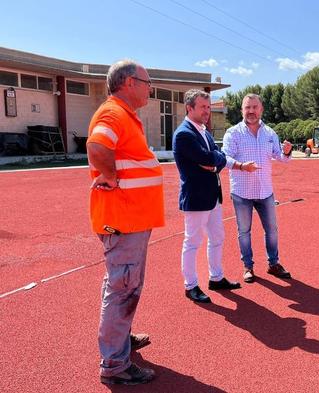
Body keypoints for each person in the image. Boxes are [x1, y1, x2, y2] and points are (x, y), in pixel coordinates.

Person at [87, 60, 164, 385]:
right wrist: (111, 178)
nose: (150, 88)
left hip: (132, 219)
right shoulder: (112, 113)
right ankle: (115, 365)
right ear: (129, 82)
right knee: (122, 289)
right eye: (147, 82)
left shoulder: (124, 115)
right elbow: (96, 147)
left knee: (126, 285)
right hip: (123, 220)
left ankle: (120, 341)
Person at [172, 89, 240, 304]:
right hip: (196, 197)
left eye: (208, 107)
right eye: (202, 107)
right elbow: (207, 158)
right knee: (192, 242)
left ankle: (216, 277)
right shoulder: (184, 134)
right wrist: (214, 161)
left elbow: (215, 158)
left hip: (212, 197)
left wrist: (214, 161)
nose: (207, 111)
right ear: (189, 108)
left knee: (217, 237)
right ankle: (190, 285)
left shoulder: (205, 132)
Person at [222, 93, 293, 283]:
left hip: (265, 191)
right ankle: (248, 267)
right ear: (242, 110)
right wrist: (241, 166)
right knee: (244, 231)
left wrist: (286, 152)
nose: (251, 111)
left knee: (272, 230)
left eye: (255, 107)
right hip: (242, 192)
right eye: (247, 107)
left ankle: (273, 263)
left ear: (261, 109)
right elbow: (224, 159)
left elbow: (281, 158)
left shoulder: (270, 133)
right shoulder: (233, 133)